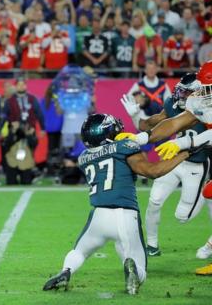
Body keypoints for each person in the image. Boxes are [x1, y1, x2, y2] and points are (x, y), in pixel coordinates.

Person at [43, 114, 200, 295]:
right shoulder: (124, 147)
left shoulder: (84, 157)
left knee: (79, 251)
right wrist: (186, 153)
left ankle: (66, 271)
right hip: (125, 215)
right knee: (139, 266)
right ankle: (132, 268)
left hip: (98, 217)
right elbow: (152, 171)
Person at [117, 62, 212, 274]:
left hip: (197, 161)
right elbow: (172, 124)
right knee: (161, 198)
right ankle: (152, 244)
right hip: (180, 158)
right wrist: (139, 138)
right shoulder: (199, 101)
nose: (204, 94)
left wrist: (182, 144)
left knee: (193, 207)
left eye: (208, 88)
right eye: (202, 89)